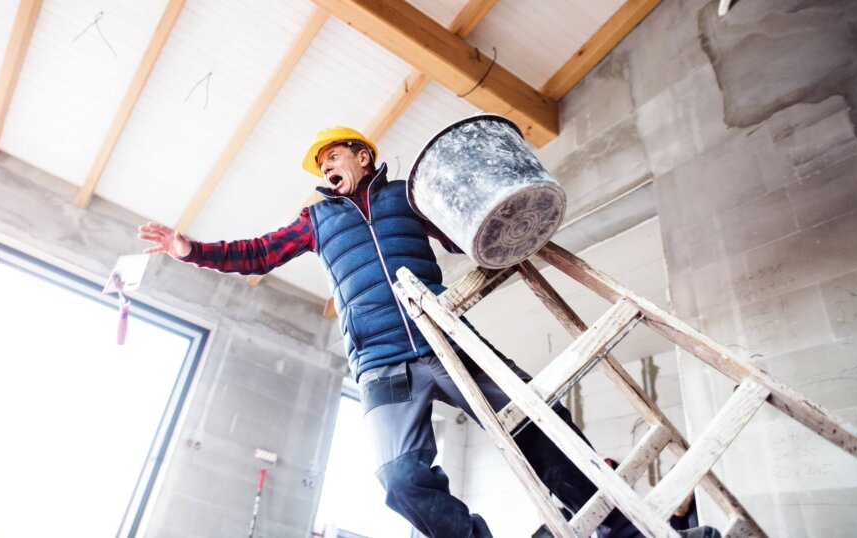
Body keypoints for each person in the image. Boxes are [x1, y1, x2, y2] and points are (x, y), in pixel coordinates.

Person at [138, 127, 644, 537]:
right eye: (321, 166)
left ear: (362, 155)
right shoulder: (315, 219)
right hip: (380, 365)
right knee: (399, 481)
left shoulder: (408, 196)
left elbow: (462, 234)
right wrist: (191, 250)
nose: (326, 168)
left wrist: (501, 212)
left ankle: (621, 528)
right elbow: (257, 254)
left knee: (541, 417)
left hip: (444, 340)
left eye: (332, 157)